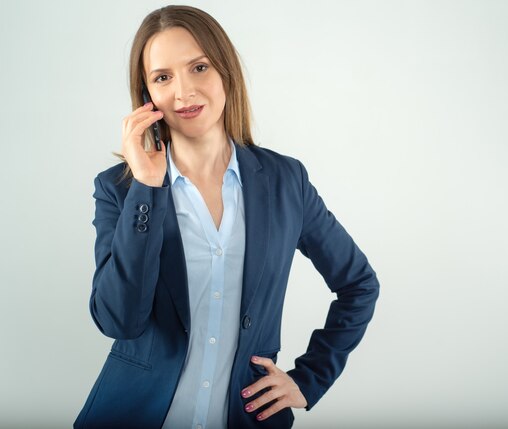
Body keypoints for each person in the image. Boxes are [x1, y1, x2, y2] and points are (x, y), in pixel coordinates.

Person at [74, 5, 379, 429]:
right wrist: (146, 188)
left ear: (225, 71)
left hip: (247, 417)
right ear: (147, 96)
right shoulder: (120, 189)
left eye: (198, 67)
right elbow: (118, 320)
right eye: (163, 77)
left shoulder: (285, 181)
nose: (183, 92)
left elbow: (359, 284)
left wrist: (309, 380)